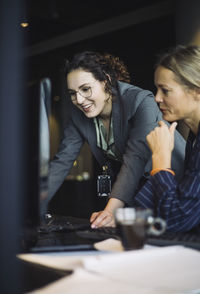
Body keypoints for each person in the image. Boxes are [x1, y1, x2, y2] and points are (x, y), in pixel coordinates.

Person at [47, 51, 185, 227]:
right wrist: (34, 204)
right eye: (72, 93)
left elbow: (135, 159)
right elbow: (62, 162)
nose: (79, 100)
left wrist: (110, 211)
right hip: (140, 190)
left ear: (106, 81)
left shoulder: (140, 101)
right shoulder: (78, 116)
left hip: (176, 183)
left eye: (85, 89)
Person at [134, 44, 200, 232]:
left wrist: (161, 159)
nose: (157, 98)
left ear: (196, 90)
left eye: (165, 90)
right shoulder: (193, 139)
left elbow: (176, 220)